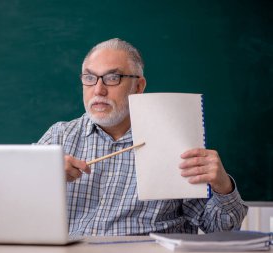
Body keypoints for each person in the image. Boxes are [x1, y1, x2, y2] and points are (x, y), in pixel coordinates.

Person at [38, 38, 248, 236]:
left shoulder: (174, 141)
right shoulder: (60, 137)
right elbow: (10, 204)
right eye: (89, 78)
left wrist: (223, 186)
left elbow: (221, 230)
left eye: (113, 78)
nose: (98, 90)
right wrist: (42, 177)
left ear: (138, 86)